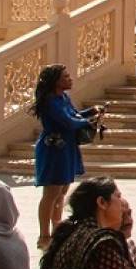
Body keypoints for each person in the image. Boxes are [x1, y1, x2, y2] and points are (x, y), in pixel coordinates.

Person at [30, 64, 103, 250]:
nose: (70, 79)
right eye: (66, 76)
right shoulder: (50, 101)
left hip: (67, 147)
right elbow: (67, 121)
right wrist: (87, 121)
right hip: (54, 147)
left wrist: (91, 111)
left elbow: (74, 115)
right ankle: (44, 235)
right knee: (51, 193)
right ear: (56, 81)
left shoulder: (63, 97)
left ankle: (57, 228)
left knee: (62, 191)